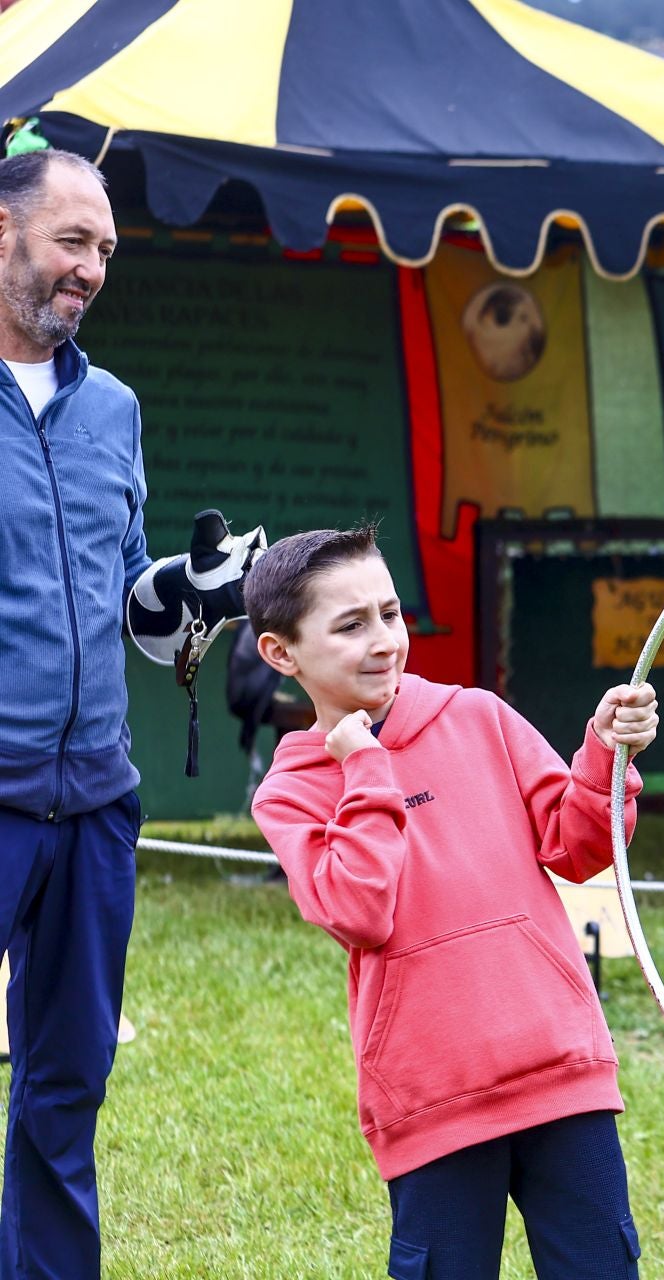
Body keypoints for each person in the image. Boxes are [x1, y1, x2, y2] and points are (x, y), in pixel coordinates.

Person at [247, 527, 658, 1279]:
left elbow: (580, 844)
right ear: (282, 654)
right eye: (350, 625)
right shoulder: (293, 792)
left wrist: (605, 752)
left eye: (391, 614)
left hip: (561, 1070)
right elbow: (361, 907)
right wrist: (366, 766)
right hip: (431, 1102)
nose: (383, 642)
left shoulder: (477, 716)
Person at [0, 144, 264, 1278]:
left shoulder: (115, 408)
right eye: (71, 241)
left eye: (105, 248)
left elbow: (118, 594)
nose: (93, 267)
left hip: (97, 799)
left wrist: (181, 595)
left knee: (68, 1078)